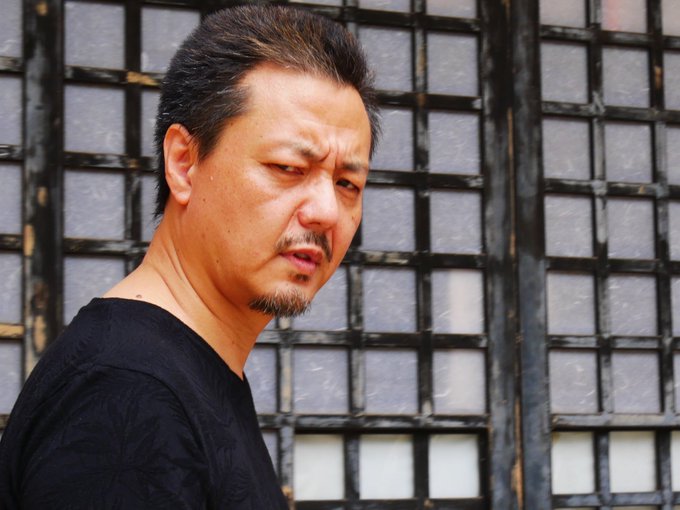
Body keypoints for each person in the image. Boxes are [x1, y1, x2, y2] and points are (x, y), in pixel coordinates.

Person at [0, 4, 379, 508]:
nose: (326, 212)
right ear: (183, 163)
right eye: (288, 168)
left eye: (348, 183)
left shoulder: (179, 371)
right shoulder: (126, 391)